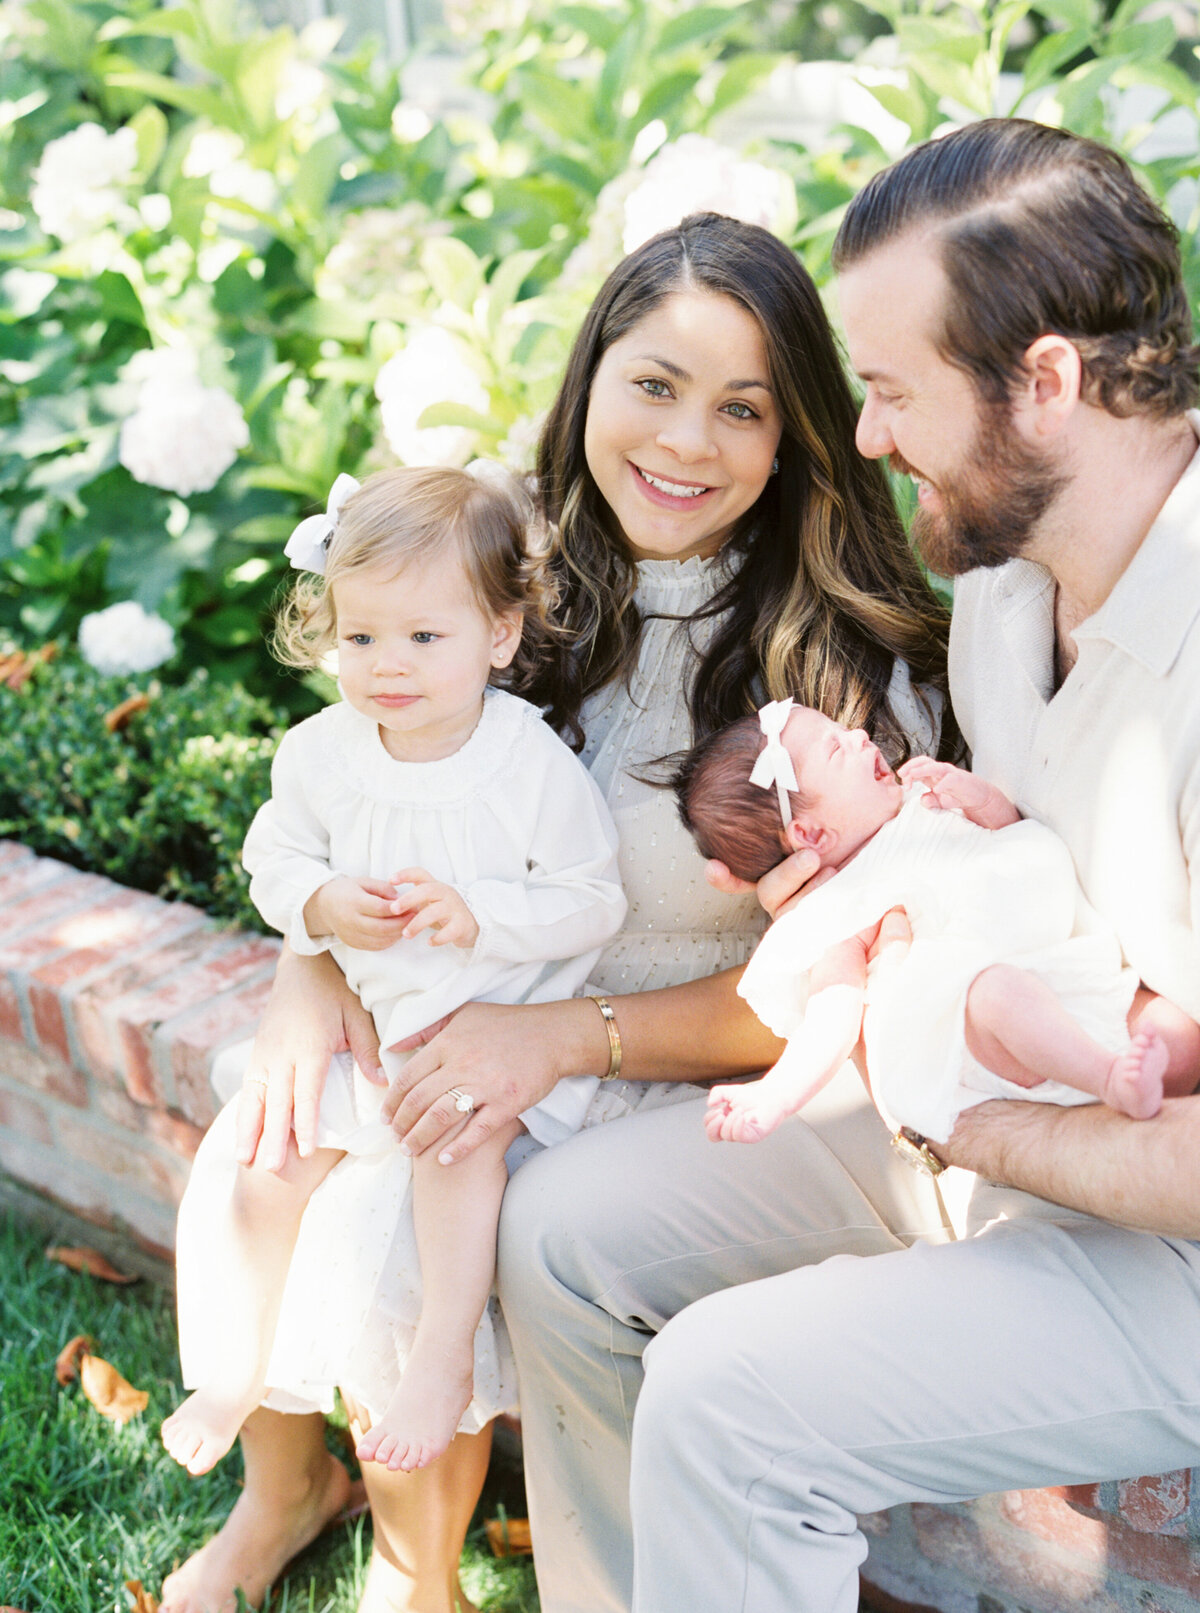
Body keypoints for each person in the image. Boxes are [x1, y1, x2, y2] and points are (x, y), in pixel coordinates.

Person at [158, 211, 954, 1613]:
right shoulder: (503, 569)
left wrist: (564, 1041)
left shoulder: (842, 673)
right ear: (590, 378)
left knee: (406, 1209)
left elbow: (826, 988)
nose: (687, 443)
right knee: (267, 1138)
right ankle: (284, 1490)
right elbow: (360, 779)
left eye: (742, 409)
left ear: (797, 438)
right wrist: (307, 966)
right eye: (653, 383)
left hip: (657, 1063)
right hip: (455, 1004)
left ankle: (420, 1566)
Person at [626, 119, 1200, 1613]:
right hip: (1006, 1099)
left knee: (723, 1395)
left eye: (890, 392)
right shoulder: (1009, 584)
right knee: (561, 1232)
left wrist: (965, 1118)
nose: (867, 435)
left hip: (1167, 1242)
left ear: (1049, 382)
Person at [163, 464, 627, 1484]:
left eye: (425, 636)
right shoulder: (324, 753)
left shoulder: (525, 761)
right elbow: (275, 856)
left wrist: (480, 916)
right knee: (265, 1155)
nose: (389, 665)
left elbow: (595, 897)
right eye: (362, 636)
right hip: (374, 1029)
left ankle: (439, 1354)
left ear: (499, 636)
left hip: (493, 1034)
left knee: (453, 1147)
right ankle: (235, 1369)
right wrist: (320, 903)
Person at [678, 700, 1193, 1146]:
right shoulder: (842, 906)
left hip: (1068, 969)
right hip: (988, 1029)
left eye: (844, 729)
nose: (859, 735)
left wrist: (980, 799)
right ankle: (1106, 1079)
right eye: (837, 749)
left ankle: (1131, 1084)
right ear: (811, 834)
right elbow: (830, 1019)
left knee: (1180, 1036)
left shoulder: (919, 804)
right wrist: (774, 1095)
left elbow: (1010, 835)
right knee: (997, 993)